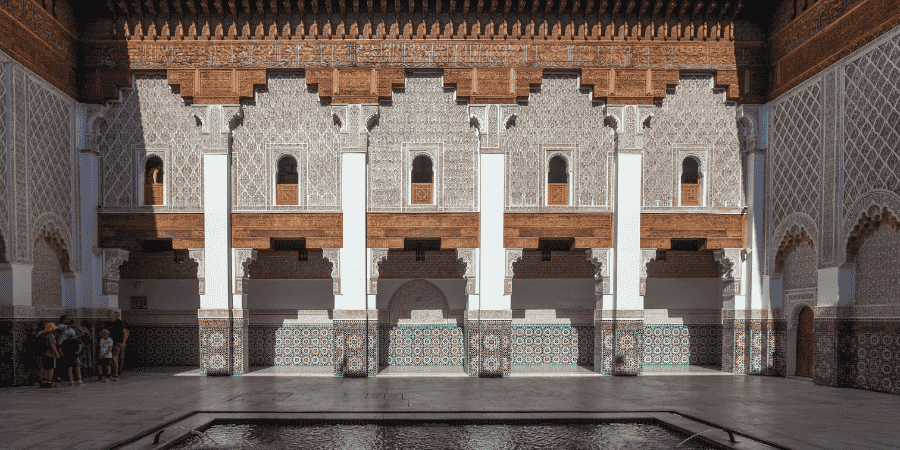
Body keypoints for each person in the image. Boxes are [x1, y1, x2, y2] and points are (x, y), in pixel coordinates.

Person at [102, 310, 129, 380]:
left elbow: (125, 333)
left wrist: (123, 342)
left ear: (114, 315)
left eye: (111, 314)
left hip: (118, 343)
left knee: (114, 358)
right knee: (109, 359)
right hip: (109, 343)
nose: (110, 316)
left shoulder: (119, 322)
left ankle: (116, 374)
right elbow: (104, 332)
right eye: (109, 314)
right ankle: (109, 374)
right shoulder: (107, 323)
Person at [39, 322, 60, 388]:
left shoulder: (41, 334)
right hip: (50, 354)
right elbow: (52, 345)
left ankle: (43, 381)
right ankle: (49, 382)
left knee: (44, 368)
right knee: (51, 368)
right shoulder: (51, 336)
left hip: (43, 354)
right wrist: (57, 354)